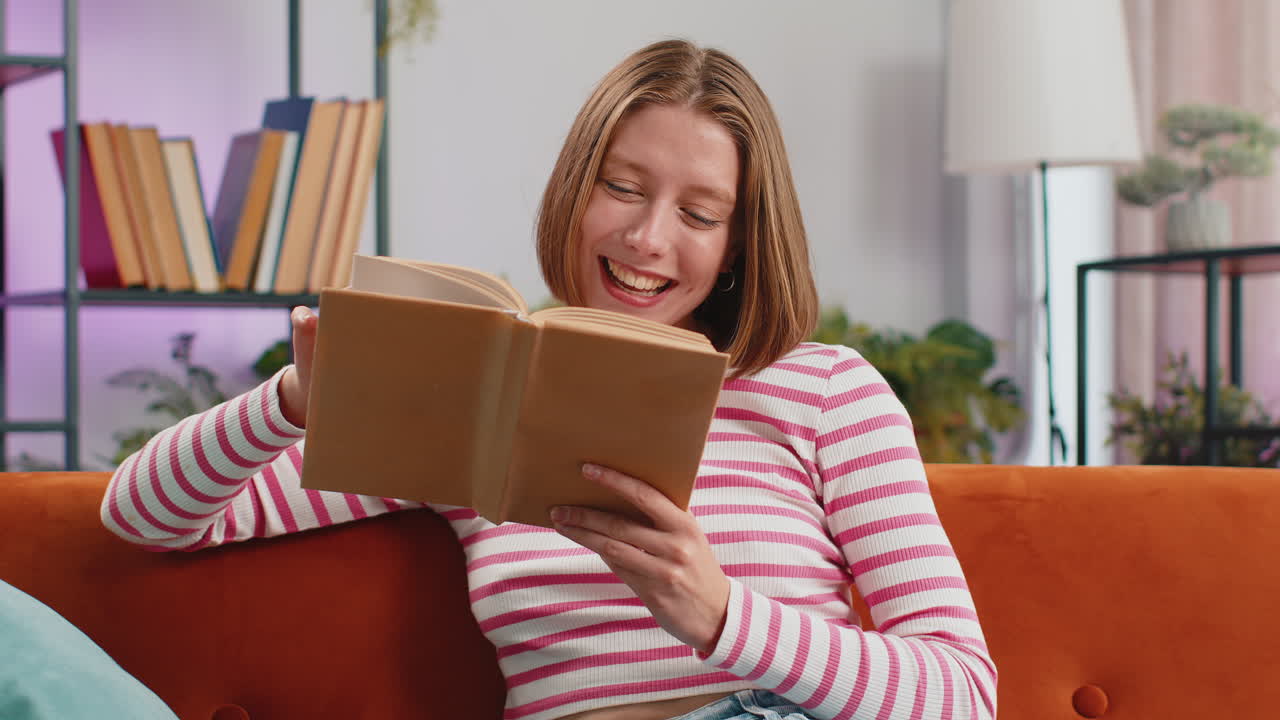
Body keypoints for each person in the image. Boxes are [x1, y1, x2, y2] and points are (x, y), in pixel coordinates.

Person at [102, 39, 996, 720]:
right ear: (575, 189)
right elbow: (143, 515)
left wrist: (722, 615)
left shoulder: (826, 392)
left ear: (736, 246)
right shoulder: (473, 403)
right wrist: (299, 400)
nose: (648, 240)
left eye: (698, 213)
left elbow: (963, 692)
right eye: (621, 187)